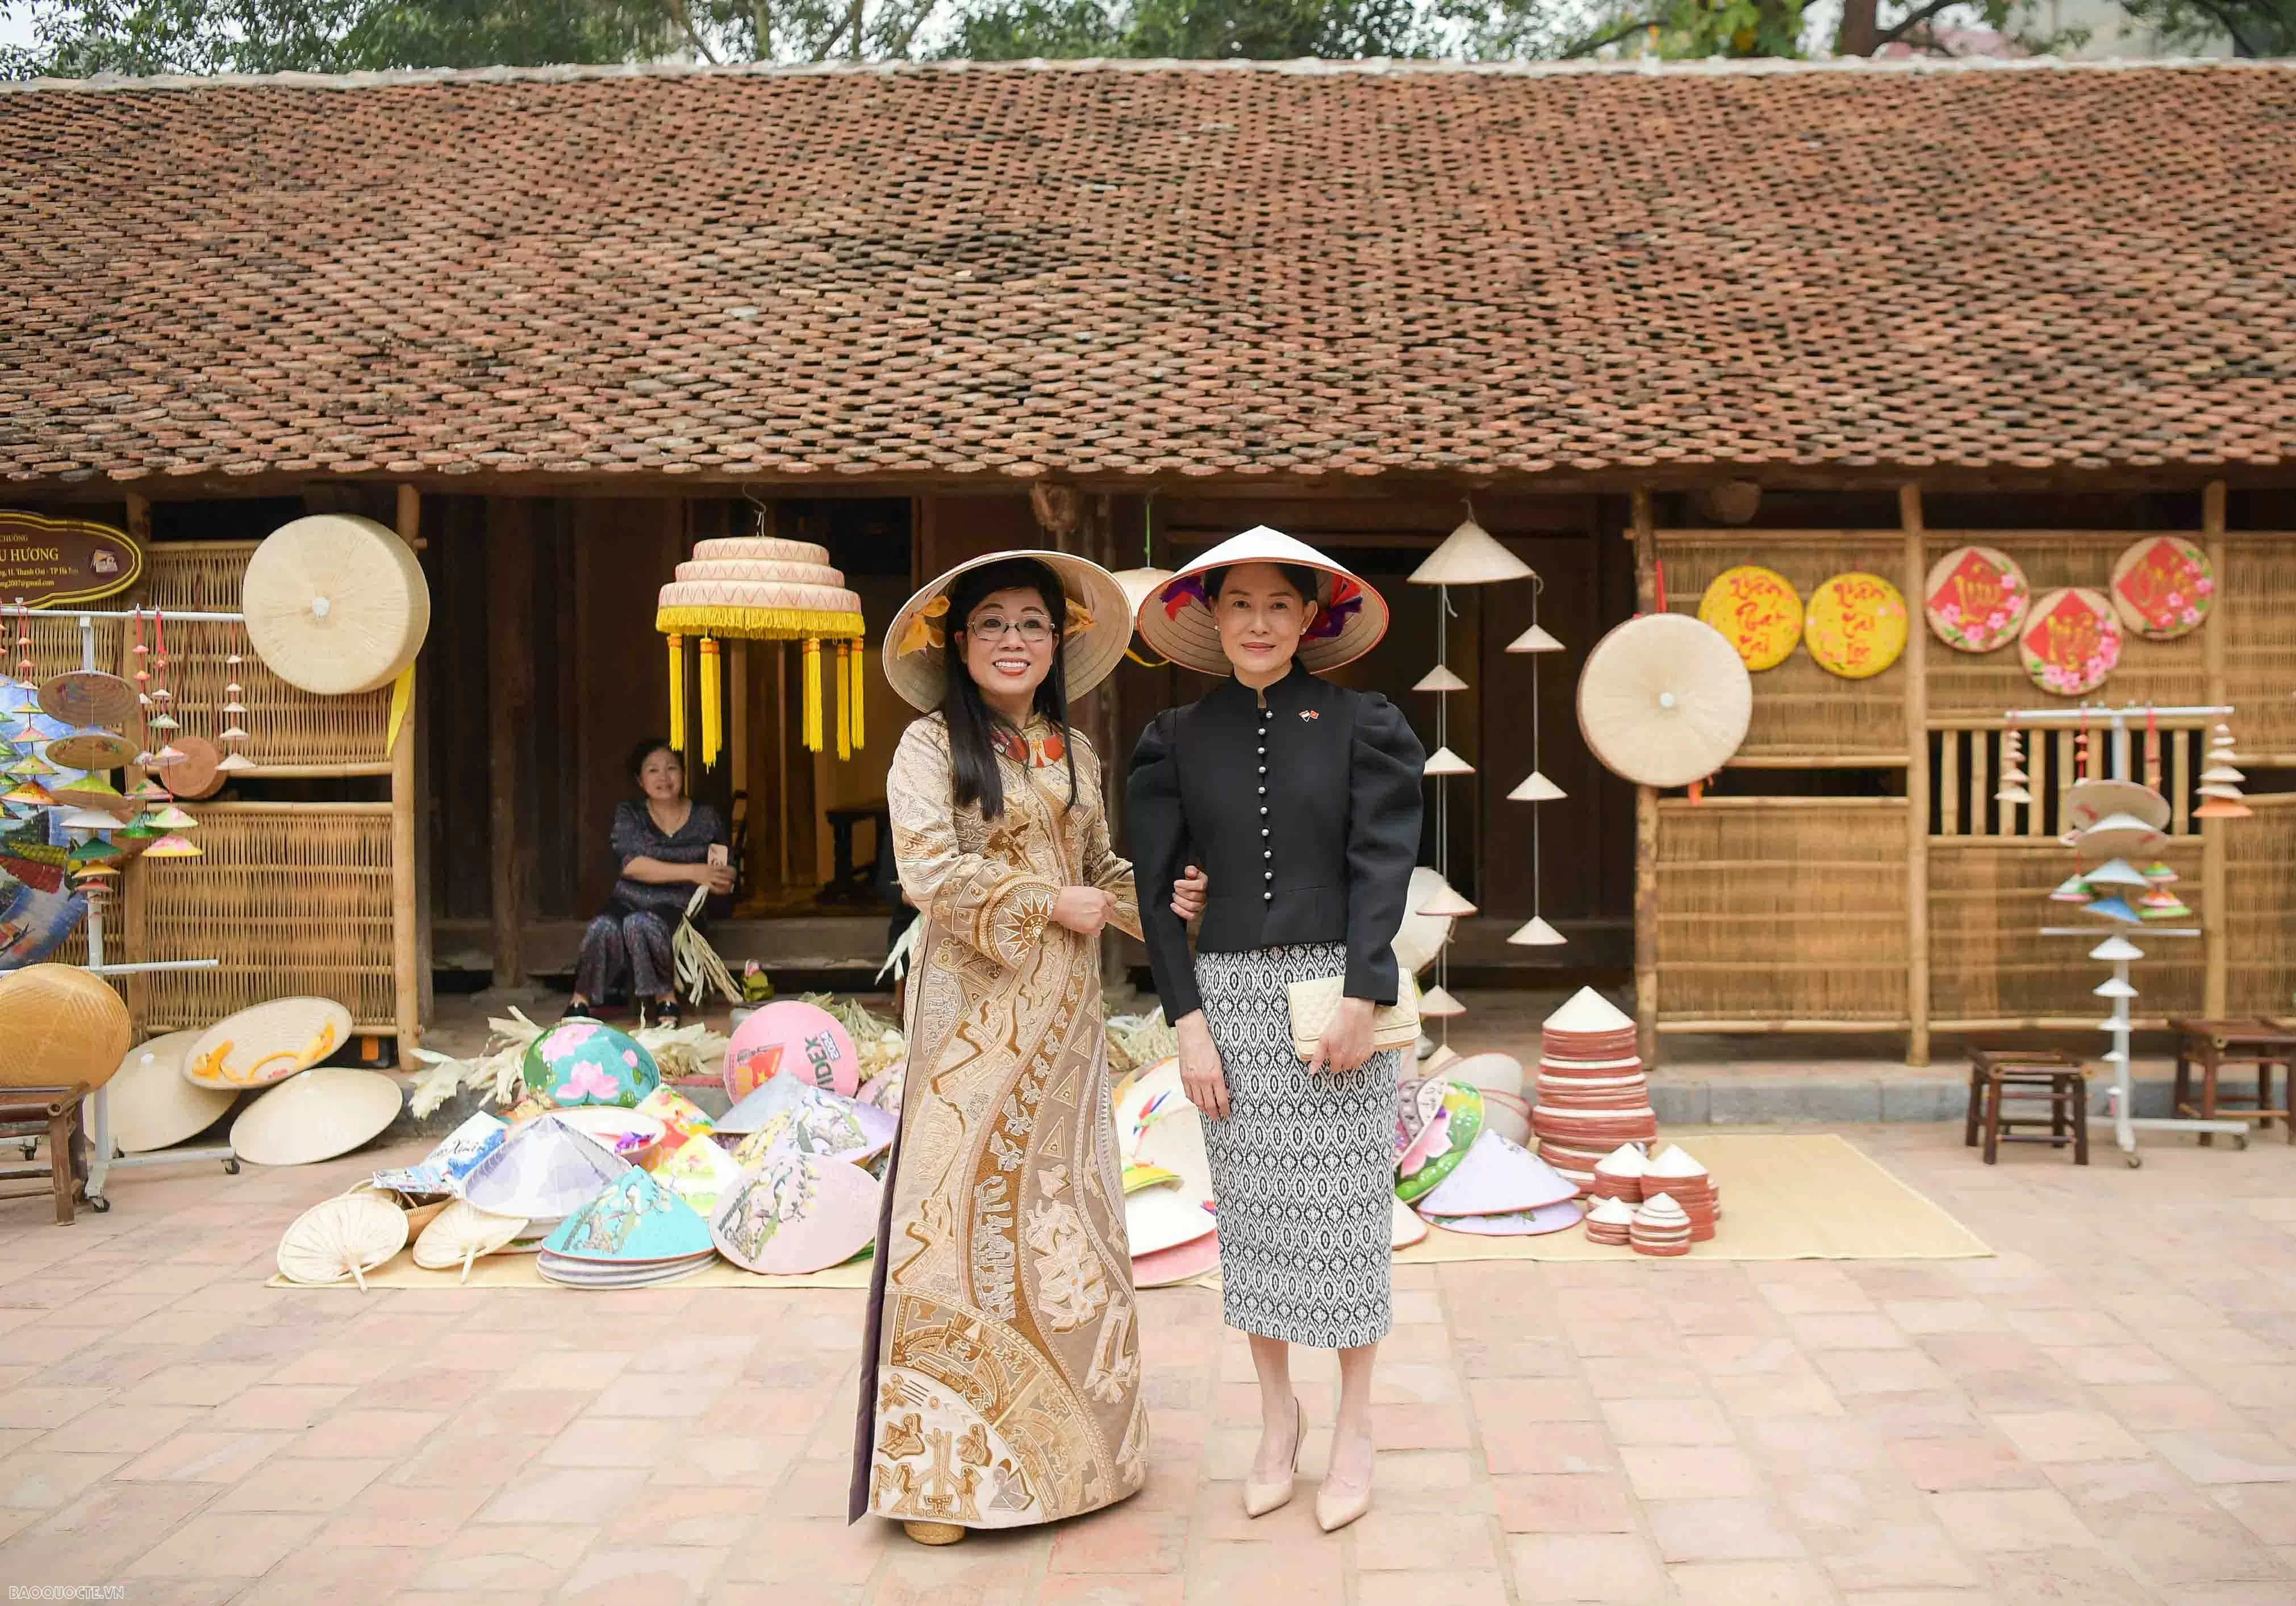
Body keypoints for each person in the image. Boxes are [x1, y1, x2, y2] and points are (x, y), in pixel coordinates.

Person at [849, 551, 1204, 1546]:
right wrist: (1049, 902)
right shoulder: (928, 744)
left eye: (1032, 624)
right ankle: (944, 1483)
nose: (1014, 640)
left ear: (1057, 643)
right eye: (993, 623)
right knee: (957, 1219)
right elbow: (927, 871)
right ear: (959, 644)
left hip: (1064, 1018)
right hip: (971, 1021)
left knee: (1059, 1211)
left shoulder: (1073, 749)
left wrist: (1166, 901)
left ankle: (1079, 1458)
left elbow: (1102, 870)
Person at [1125, 526, 1424, 1534]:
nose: (1258, 622)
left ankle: (1355, 1426)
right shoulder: (1174, 738)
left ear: (1309, 618)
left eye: (1277, 604)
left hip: (1337, 991)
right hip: (1229, 1004)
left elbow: (1382, 864)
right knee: (1254, 1224)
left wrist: (1363, 994)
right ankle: (1275, 1418)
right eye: (1239, 603)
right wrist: (1188, 1024)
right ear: (1211, 617)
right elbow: (1159, 896)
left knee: (1344, 1219)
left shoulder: (1362, 724)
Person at [568, 739, 732, 1024]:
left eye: (672, 768)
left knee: (642, 923)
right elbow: (632, 866)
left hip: (680, 907)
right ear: (640, 781)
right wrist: (694, 871)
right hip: (628, 899)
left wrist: (723, 878)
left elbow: (722, 867)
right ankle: (580, 1002)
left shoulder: (705, 817)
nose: (664, 777)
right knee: (603, 926)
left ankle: (665, 1000)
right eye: (653, 770)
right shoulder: (630, 814)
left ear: (683, 773)